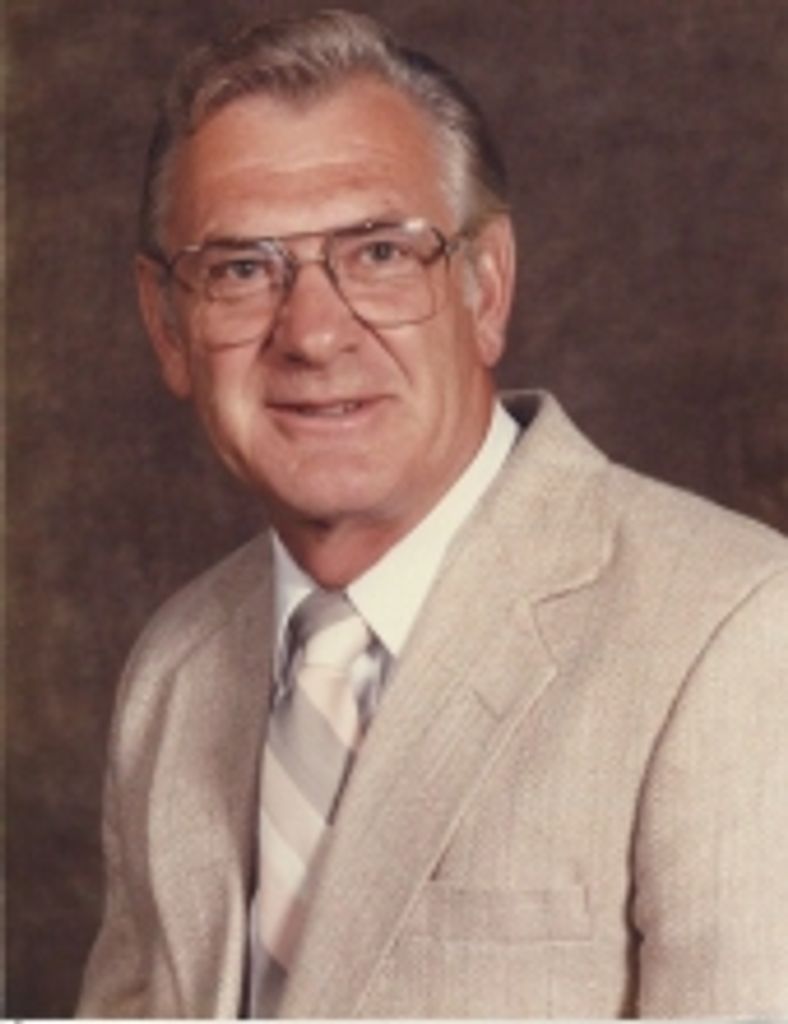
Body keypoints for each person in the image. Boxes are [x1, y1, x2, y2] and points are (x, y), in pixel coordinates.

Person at [77, 9, 788, 1018]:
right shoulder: (173, 668)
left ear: (483, 286)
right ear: (166, 324)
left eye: (378, 253)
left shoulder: (731, 630)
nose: (313, 334)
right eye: (241, 269)